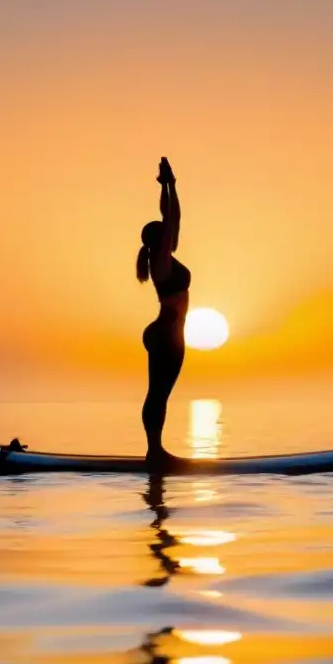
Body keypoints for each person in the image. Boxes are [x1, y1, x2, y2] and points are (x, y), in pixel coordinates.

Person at [137, 157, 189, 469]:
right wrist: (167, 186)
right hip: (166, 332)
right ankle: (154, 451)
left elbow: (175, 220)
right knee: (157, 394)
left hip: (168, 331)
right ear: (159, 241)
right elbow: (169, 222)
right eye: (166, 235)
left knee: (160, 393)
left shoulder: (164, 257)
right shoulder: (160, 263)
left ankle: (155, 450)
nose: (171, 235)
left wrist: (171, 185)